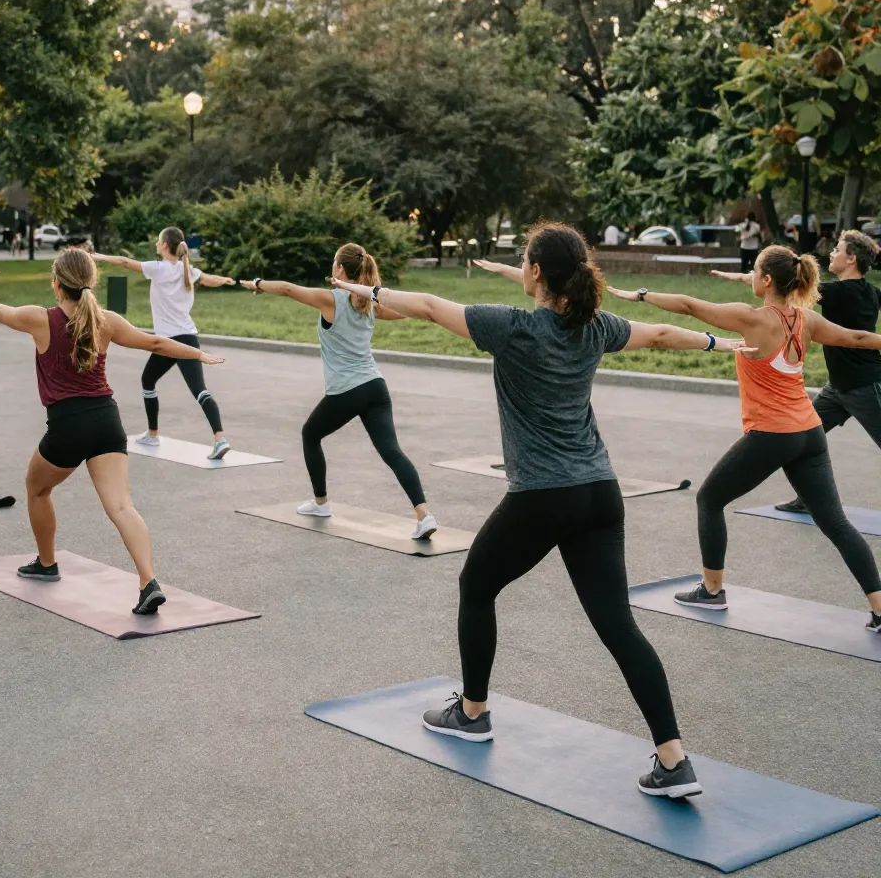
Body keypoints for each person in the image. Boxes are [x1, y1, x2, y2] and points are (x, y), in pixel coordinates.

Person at [333, 226, 757, 799]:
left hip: (543, 495)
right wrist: (712, 344)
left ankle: (474, 714)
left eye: (525, 261)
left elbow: (432, 307)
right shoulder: (596, 326)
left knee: (475, 586)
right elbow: (656, 334)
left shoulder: (516, 328)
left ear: (534, 272)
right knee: (619, 627)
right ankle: (674, 759)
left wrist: (367, 292)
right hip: (600, 494)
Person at [608, 245, 881, 634]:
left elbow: (688, 305)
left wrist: (641, 294)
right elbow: (856, 338)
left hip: (773, 434)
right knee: (835, 522)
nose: (752, 276)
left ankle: (712, 590)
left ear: (767, 280)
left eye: (754, 270)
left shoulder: (750, 318)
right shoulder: (807, 319)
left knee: (709, 499)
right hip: (810, 432)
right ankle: (880, 608)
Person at [0, 247, 225, 613]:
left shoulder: (41, 319)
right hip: (108, 421)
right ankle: (148, 581)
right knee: (122, 506)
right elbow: (154, 342)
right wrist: (198, 354)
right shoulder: (107, 321)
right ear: (90, 282)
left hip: (68, 426)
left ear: (56, 284)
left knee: (36, 488)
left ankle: (46, 564)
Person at [239, 243, 438, 540]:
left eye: (334, 262)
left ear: (341, 269)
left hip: (348, 389)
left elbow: (288, 289)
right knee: (391, 452)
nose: (333, 266)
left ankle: (320, 503)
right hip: (375, 387)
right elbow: (403, 311)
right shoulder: (369, 302)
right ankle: (424, 514)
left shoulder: (333, 299)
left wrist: (257, 284)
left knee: (310, 434)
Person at [713, 230, 881, 515]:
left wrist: (751, 278)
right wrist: (751, 278)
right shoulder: (871, 291)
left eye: (837, 250)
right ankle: (809, 498)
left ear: (850, 259)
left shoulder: (839, 292)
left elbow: (791, 289)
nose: (831, 253)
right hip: (837, 388)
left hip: (863, 385)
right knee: (800, 437)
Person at [92, 227, 236, 460]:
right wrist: (228, 280)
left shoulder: (158, 269)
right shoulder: (187, 270)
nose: (156, 244)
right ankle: (216, 437)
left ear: (165, 246)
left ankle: (160, 434)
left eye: (158, 241)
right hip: (188, 337)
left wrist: (98, 257)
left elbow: (125, 262)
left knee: (150, 381)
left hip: (168, 341)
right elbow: (210, 280)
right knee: (194, 389)